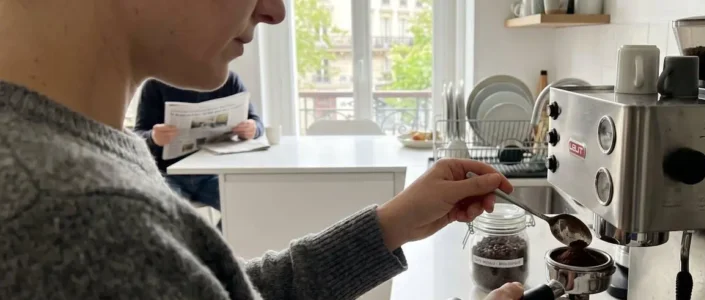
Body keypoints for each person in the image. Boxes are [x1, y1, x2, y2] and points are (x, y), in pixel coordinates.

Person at [0, 1, 524, 300]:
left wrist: (392, 223)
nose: (275, 10)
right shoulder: (73, 213)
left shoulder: (69, 167)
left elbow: (222, 290)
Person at [134, 72, 261, 212]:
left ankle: (216, 235)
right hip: (168, 175)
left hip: (214, 173)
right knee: (165, 213)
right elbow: (138, 136)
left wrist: (252, 129)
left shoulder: (229, 80)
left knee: (245, 205)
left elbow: (257, 123)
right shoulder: (155, 84)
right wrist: (153, 136)